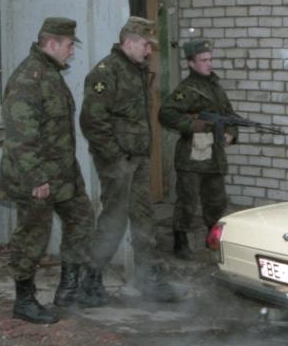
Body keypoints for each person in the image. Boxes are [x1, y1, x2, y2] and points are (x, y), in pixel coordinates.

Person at [79, 16, 182, 304]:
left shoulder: (137, 70)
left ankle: (150, 281)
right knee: (113, 221)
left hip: (138, 158)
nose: (149, 51)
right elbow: (92, 121)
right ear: (128, 42)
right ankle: (91, 282)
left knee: (144, 219)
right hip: (118, 162)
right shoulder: (106, 72)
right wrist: (114, 156)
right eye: (146, 45)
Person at [0, 17, 94, 324]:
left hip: (63, 173)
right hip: (35, 175)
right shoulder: (29, 78)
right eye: (69, 45)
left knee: (82, 219)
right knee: (33, 236)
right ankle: (24, 300)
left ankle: (69, 289)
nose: (72, 52)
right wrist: (36, 178)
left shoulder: (51, 74)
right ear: (52, 44)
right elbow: (21, 137)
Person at [158, 39, 238, 260]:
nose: (209, 63)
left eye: (210, 59)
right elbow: (166, 113)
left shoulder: (215, 87)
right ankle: (180, 242)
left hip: (214, 155)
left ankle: (212, 240)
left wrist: (231, 132)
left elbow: (229, 115)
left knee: (216, 201)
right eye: (203, 60)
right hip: (192, 157)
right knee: (188, 201)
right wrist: (194, 125)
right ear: (191, 63)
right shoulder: (187, 90)